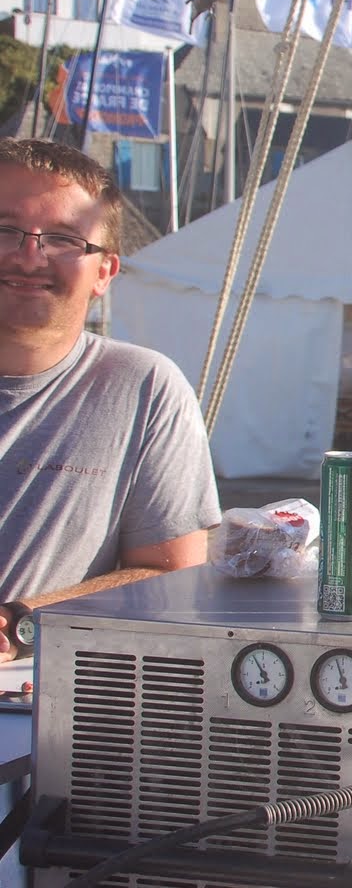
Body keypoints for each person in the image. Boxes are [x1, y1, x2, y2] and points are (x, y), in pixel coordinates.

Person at [0, 138, 219, 661]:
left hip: (32, 699)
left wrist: (19, 624)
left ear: (104, 272)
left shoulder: (143, 389)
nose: (30, 256)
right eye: (5, 230)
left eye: (63, 238)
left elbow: (172, 574)